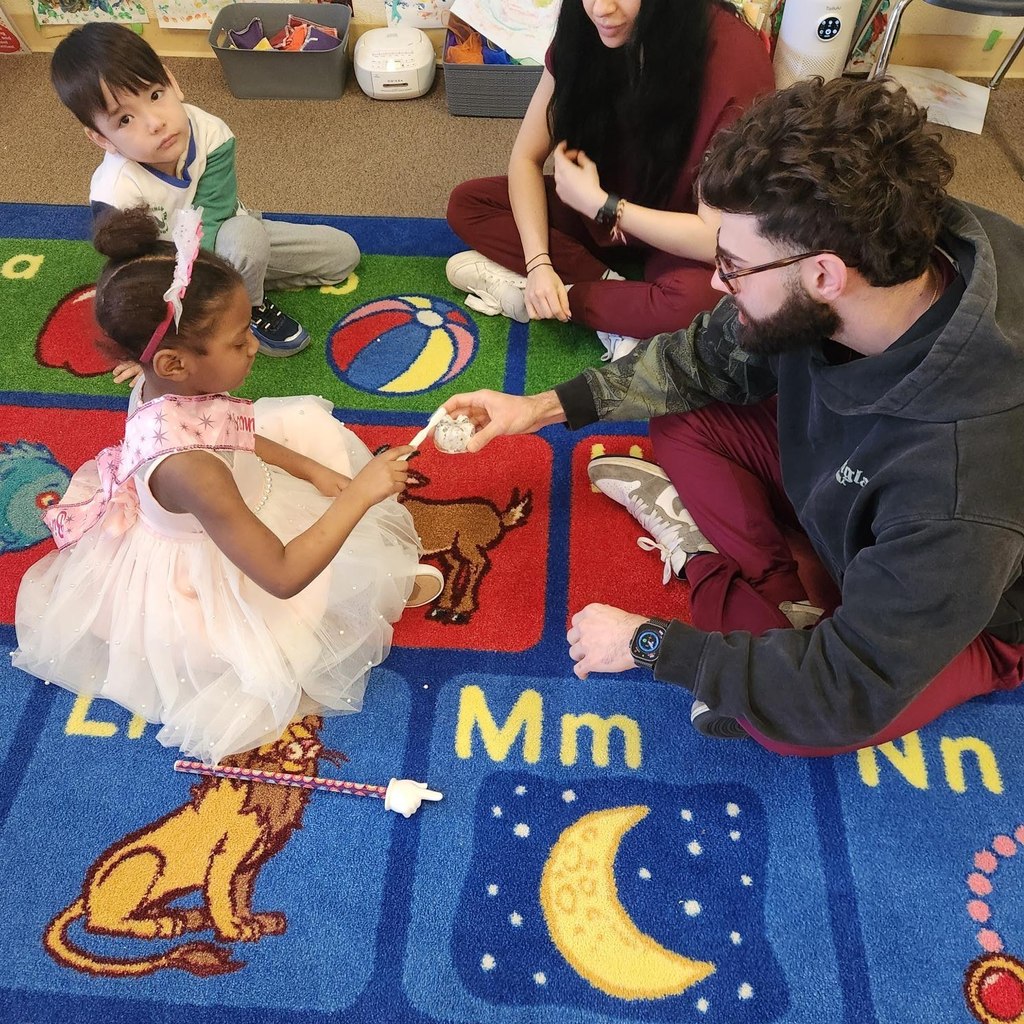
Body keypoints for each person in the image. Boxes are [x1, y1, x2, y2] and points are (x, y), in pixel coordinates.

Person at [440, 76, 1024, 757]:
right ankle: (787, 610)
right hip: (859, 494)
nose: (716, 282)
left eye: (734, 266)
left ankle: (708, 567)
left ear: (825, 276)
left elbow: (842, 692)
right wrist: (536, 408)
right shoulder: (891, 234)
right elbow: (701, 358)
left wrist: (650, 643)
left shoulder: (957, 485)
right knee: (682, 416)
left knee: (794, 727)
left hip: (982, 612)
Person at [12, 206, 443, 766]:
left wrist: (312, 471)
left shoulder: (165, 387)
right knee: (293, 642)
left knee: (315, 445)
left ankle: (360, 571)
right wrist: (362, 492)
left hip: (232, 502)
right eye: (240, 341)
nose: (254, 347)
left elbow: (228, 424)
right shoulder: (194, 471)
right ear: (174, 361)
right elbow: (283, 575)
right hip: (217, 568)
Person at [445, 0, 774, 361]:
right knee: (469, 204)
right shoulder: (582, 29)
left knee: (707, 302)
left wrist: (604, 207)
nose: (600, 8)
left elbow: (720, 238)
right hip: (600, 208)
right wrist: (538, 264)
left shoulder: (734, 61)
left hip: (678, 232)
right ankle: (612, 296)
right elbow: (525, 157)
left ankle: (552, 298)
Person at [50, 22, 360, 362]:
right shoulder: (116, 192)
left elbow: (215, 214)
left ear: (173, 82)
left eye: (155, 95)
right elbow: (132, 275)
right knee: (244, 237)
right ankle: (248, 307)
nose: (155, 123)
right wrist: (150, 348)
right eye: (125, 120)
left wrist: (230, 277)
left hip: (226, 240)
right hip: (173, 275)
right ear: (101, 139)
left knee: (341, 255)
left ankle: (241, 285)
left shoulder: (211, 132)